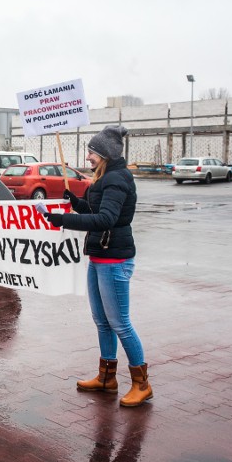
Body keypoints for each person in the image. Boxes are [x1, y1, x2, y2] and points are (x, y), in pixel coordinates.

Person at [42, 125, 153, 407]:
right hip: (100, 257)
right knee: (102, 321)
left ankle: (142, 384)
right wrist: (76, 203)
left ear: (104, 154)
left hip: (115, 260)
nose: (88, 156)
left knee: (120, 323)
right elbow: (95, 212)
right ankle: (106, 377)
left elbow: (105, 220)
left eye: (91, 152)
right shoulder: (105, 177)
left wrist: (60, 219)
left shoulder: (117, 179)